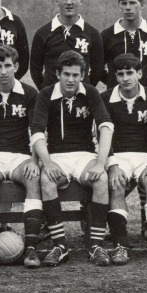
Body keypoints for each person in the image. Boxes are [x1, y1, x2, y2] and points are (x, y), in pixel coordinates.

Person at [30, 50, 114, 267]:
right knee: (47, 179)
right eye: (66, 74)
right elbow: (37, 132)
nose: (70, 79)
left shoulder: (91, 92)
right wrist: (47, 163)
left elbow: (106, 127)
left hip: (85, 155)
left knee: (101, 179)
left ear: (82, 75)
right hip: (56, 155)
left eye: (76, 75)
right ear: (58, 73)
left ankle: (96, 245)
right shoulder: (46, 94)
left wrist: (99, 162)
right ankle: (60, 245)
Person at [0, 44, 42, 269]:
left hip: (20, 155)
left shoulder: (30, 94)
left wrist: (33, 161)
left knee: (33, 177)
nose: (3, 71)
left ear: (17, 67)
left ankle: (31, 249)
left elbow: (37, 132)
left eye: (8, 66)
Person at [105, 54, 147, 265]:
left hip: (144, 155)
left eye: (130, 73)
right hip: (119, 155)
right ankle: (121, 245)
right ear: (115, 76)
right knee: (117, 184)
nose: (125, 78)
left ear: (139, 73)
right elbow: (103, 135)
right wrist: (112, 164)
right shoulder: (106, 98)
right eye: (120, 74)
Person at [29, 0, 104, 90]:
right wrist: (46, 91)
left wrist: (86, 90)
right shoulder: (42, 33)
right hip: (51, 100)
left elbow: (97, 70)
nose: (69, 2)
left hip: (82, 100)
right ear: (56, 1)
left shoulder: (93, 34)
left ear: (81, 0)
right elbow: (35, 70)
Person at [101, 0, 147, 90]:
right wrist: (113, 80)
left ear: (142, 5)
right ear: (119, 5)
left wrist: (146, 78)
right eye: (124, 3)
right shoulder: (107, 34)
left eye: (132, 3)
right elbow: (99, 67)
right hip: (116, 95)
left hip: (146, 94)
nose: (128, 8)